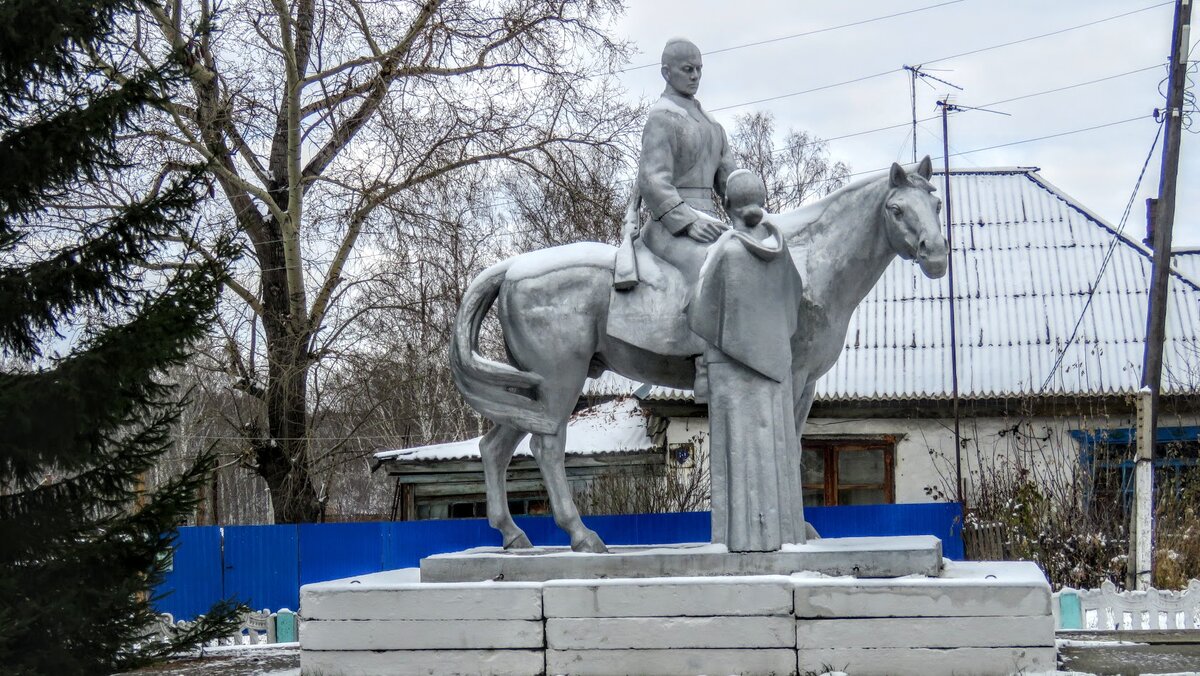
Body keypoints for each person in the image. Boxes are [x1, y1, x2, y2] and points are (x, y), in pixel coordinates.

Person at [690, 170, 808, 551]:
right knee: (775, 451)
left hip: (731, 370)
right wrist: (768, 346)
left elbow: (700, 312)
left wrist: (733, 343)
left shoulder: (724, 252)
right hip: (775, 367)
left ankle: (740, 542)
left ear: (727, 206)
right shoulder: (782, 252)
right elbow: (793, 305)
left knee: (737, 458)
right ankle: (782, 537)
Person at [618, 38, 737, 287]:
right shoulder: (661, 119)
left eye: (699, 69)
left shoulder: (713, 126)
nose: (695, 76)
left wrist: (750, 208)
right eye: (687, 69)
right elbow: (652, 181)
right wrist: (688, 222)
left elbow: (731, 185)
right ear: (666, 72)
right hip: (669, 228)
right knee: (714, 273)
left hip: (711, 222)